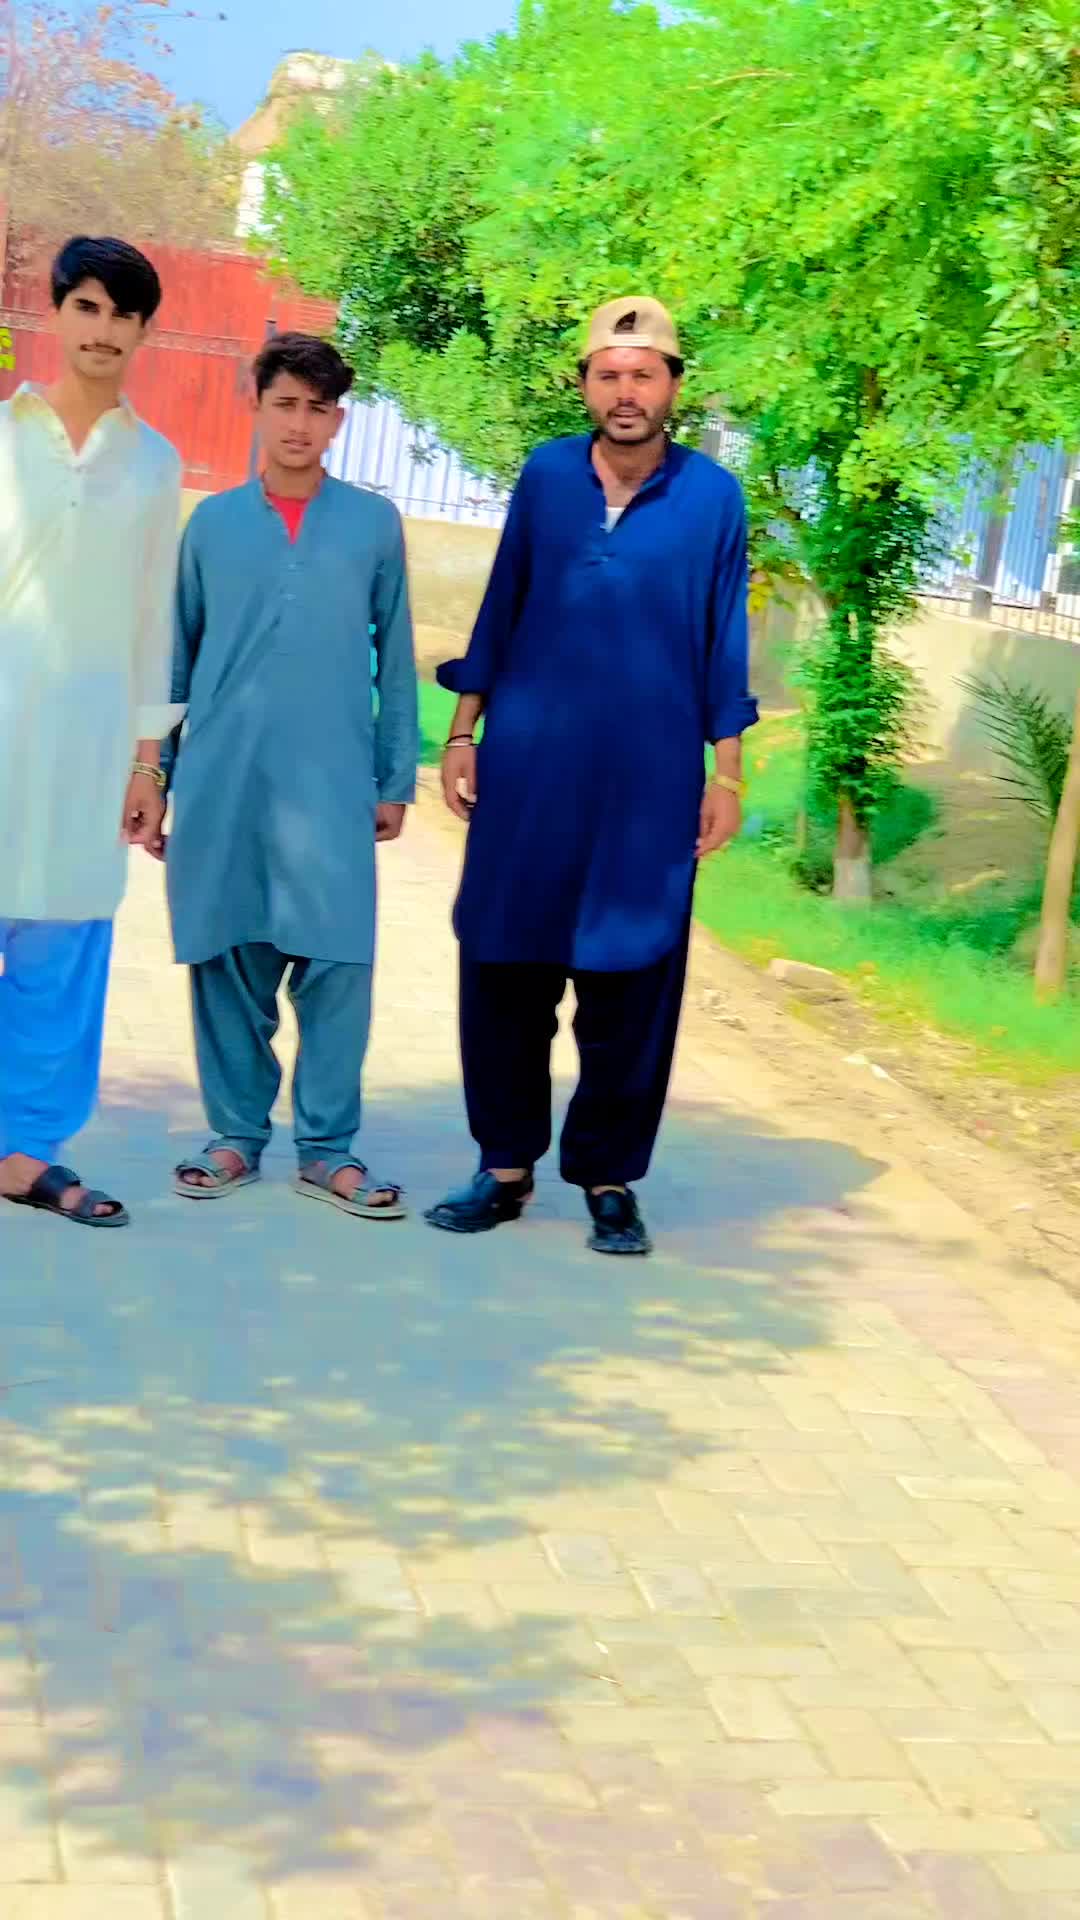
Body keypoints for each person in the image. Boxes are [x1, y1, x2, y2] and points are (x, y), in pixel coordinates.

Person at [425, 297, 757, 1256]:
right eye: (609, 375)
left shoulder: (712, 499)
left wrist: (726, 775)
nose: (626, 392)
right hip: (529, 773)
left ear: (673, 386)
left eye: (643, 374)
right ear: (585, 385)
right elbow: (503, 603)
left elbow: (723, 640)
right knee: (504, 966)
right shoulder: (546, 477)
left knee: (632, 982)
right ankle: (504, 1167)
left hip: (647, 787)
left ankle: (609, 1179)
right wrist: (461, 732)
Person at [163, 332, 418, 1218]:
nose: (300, 424)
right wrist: (154, 771)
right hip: (224, 778)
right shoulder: (214, 525)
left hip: (332, 777)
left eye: (318, 408)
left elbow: (398, 656)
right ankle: (234, 1136)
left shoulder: (372, 525)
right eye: (285, 404)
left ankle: (328, 1150)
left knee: (339, 959)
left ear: (338, 420)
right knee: (229, 952)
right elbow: (175, 655)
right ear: (257, 406)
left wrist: (395, 776)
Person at [0, 235, 182, 1230]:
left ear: (143, 332)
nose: (103, 329)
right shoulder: (4, 435)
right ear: (57, 311)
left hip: (91, 742)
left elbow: (154, 621)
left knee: (64, 941)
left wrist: (148, 760)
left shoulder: (153, 465)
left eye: (123, 314)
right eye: (88, 306)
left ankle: (26, 1153)